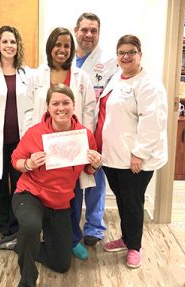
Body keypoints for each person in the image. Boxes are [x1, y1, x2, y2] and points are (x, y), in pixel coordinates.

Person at [0, 84, 102, 287]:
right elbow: (15, 160)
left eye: (65, 103)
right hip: (30, 194)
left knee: (61, 264)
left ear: (73, 105)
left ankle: (21, 243)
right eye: (55, 103)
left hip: (60, 201)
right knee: (31, 226)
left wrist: (95, 166)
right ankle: (27, 280)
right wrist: (28, 164)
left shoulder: (84, 135)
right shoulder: (35, 133)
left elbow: (88, 170)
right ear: (48, 107)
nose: (61, 108)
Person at [96, 34, 168, 268]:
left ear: (140, 54)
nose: (126, 56)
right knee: (123, 200)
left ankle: (134, 247)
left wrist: (139, 153)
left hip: (134, 159)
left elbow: (153, 121)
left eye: (131, 52)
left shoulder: (149, 84)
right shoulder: (117, 77)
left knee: (133, 202)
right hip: (114, 156)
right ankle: (126, 238)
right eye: (121, 53)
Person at [70, 12, 118, 260]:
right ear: (76, 30)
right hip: (68, 131)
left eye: (94, 30)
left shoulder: (110, 61)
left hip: (97, 129)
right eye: (85, 29)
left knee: (95, 178)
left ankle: (94, 227)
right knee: (73, 182)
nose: (89, 35)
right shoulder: (65, 58)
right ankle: (73, 228)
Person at [0, 26, 30, 238]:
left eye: (13, 42)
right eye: (5, 42)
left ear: (18, 45)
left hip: (21, 141)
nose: (9, 46)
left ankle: (17, 224)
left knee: (20, 183)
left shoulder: (28, 73)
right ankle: (2, 226)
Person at [22, 27, 96, 134]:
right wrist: (28, 139)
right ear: (50, 47)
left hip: (73, 138)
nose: (62, 49)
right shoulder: (37, 76)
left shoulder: (82, 77)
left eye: (67, 46)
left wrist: (86, 140)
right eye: (58, 45)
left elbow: (88, 112)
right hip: (42, 137)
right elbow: (28, 112)